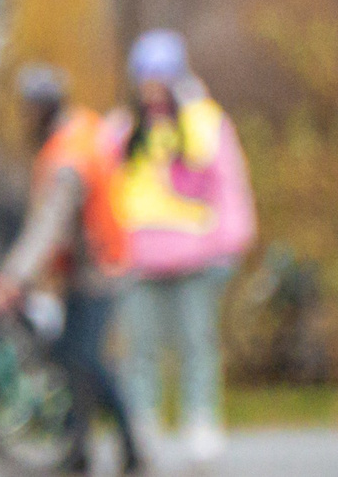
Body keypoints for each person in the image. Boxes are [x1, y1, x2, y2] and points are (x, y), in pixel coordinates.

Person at [107, 30, 254, 469]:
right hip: (138, 257)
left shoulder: (204, 123)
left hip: (196, 255)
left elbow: (230, 188)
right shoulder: (122, 129)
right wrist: (108, 249)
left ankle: (201, 421)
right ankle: (141, 425)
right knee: (140, 348)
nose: (152, 89)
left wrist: (231, 245)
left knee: (197, 344)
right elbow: (108, 190)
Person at [0, 66, 140, 476]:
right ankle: (93, 448)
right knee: (80, 358)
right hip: (97, 266)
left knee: (82, 358)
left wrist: (13, 277)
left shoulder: (66, 154)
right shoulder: (85, 128)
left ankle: (110, 449)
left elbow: (48, 225)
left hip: (98, 272)